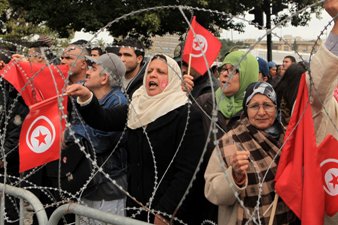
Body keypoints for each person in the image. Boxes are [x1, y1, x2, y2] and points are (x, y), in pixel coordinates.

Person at [66, 54, 207, 224]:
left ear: (173, 79)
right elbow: (103, 119)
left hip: (168, 210)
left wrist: (166, 212)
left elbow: (188, 171)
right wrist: (87, 97)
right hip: (137, 204)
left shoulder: (187, 115)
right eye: (150, 71)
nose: (153, 75)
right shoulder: (137, 106)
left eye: (161, 72)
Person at [204, 82, 299, 225]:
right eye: (254, 106)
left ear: (276, 107)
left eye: (267, 105)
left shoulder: (289, 139)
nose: (261, 112)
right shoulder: (230, 142)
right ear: (246, 109)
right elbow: (212, 191)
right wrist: (235, 176)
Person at [79, 53, 128, 223]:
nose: (87, 72)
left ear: (104, 78)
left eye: (93, 69)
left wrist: (72, 133)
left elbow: (100, 142)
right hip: (88, 181)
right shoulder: (86, 98)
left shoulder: (118, 103)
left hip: (108, 186)